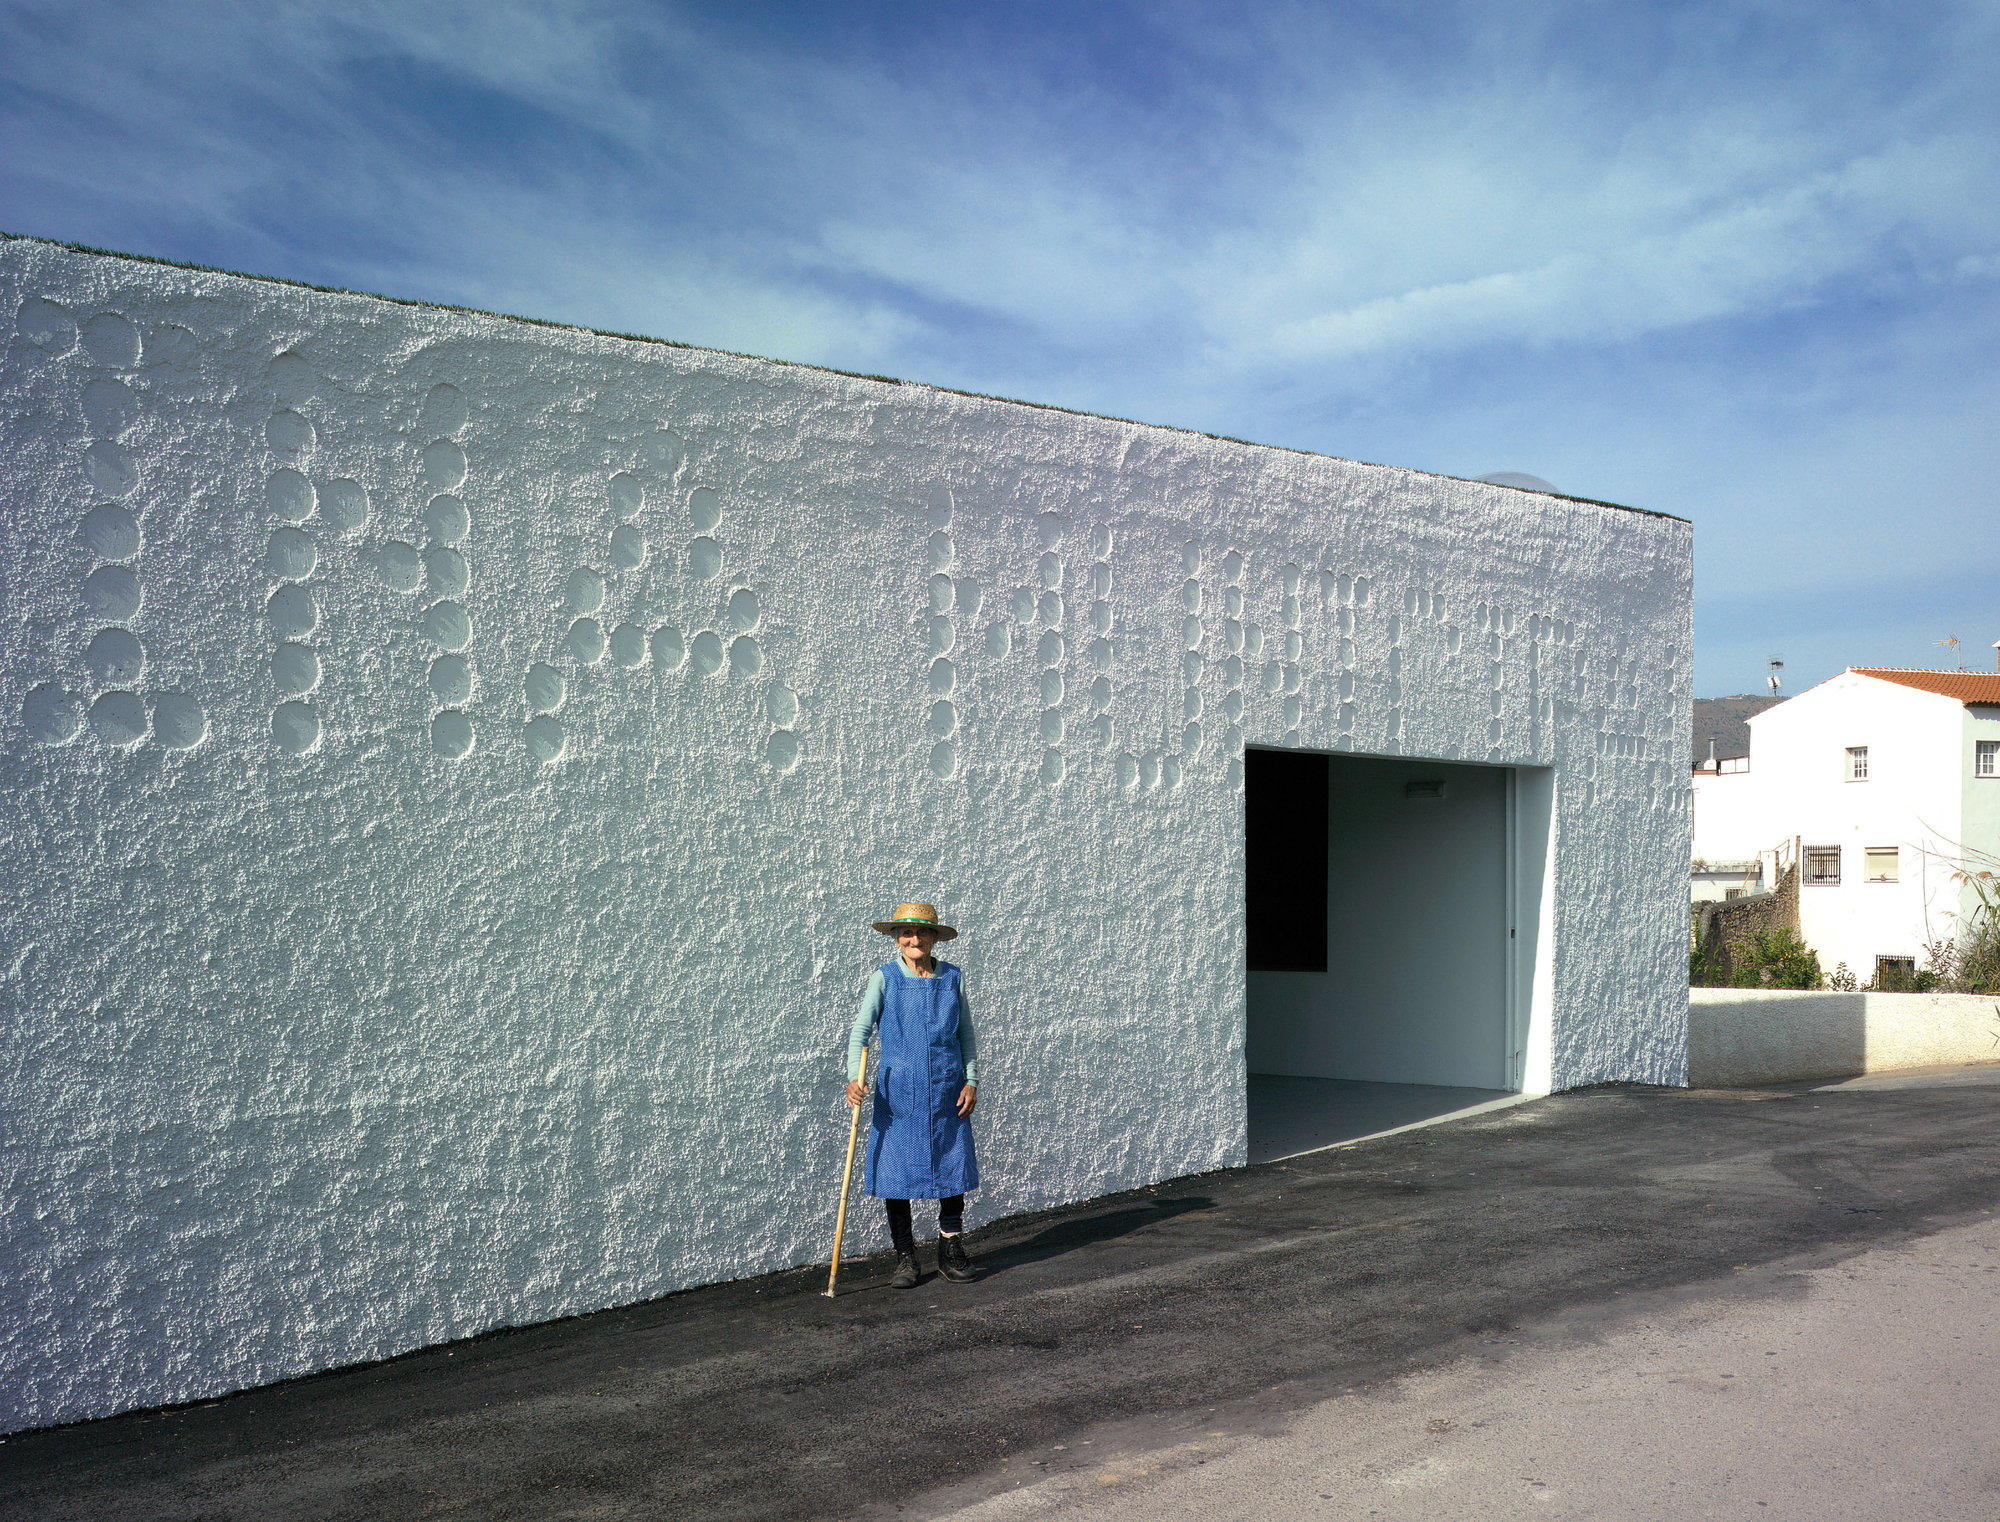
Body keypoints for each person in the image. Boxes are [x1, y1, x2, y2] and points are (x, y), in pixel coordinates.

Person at [846, 902, 979, 1288]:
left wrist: (971, 1081)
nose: (914, 938)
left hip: (947, 1089)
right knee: (896, 1173)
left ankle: (950, 1247)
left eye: (923, 932)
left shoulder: (952, 977)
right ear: (896, 939)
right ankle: (905, 1256)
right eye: (906, 932)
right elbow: (861, 1032)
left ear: (935, 938)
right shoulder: (884, 978)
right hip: (899, 1095)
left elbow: (965, 1034)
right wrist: (854, 1079)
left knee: (952, 1165)